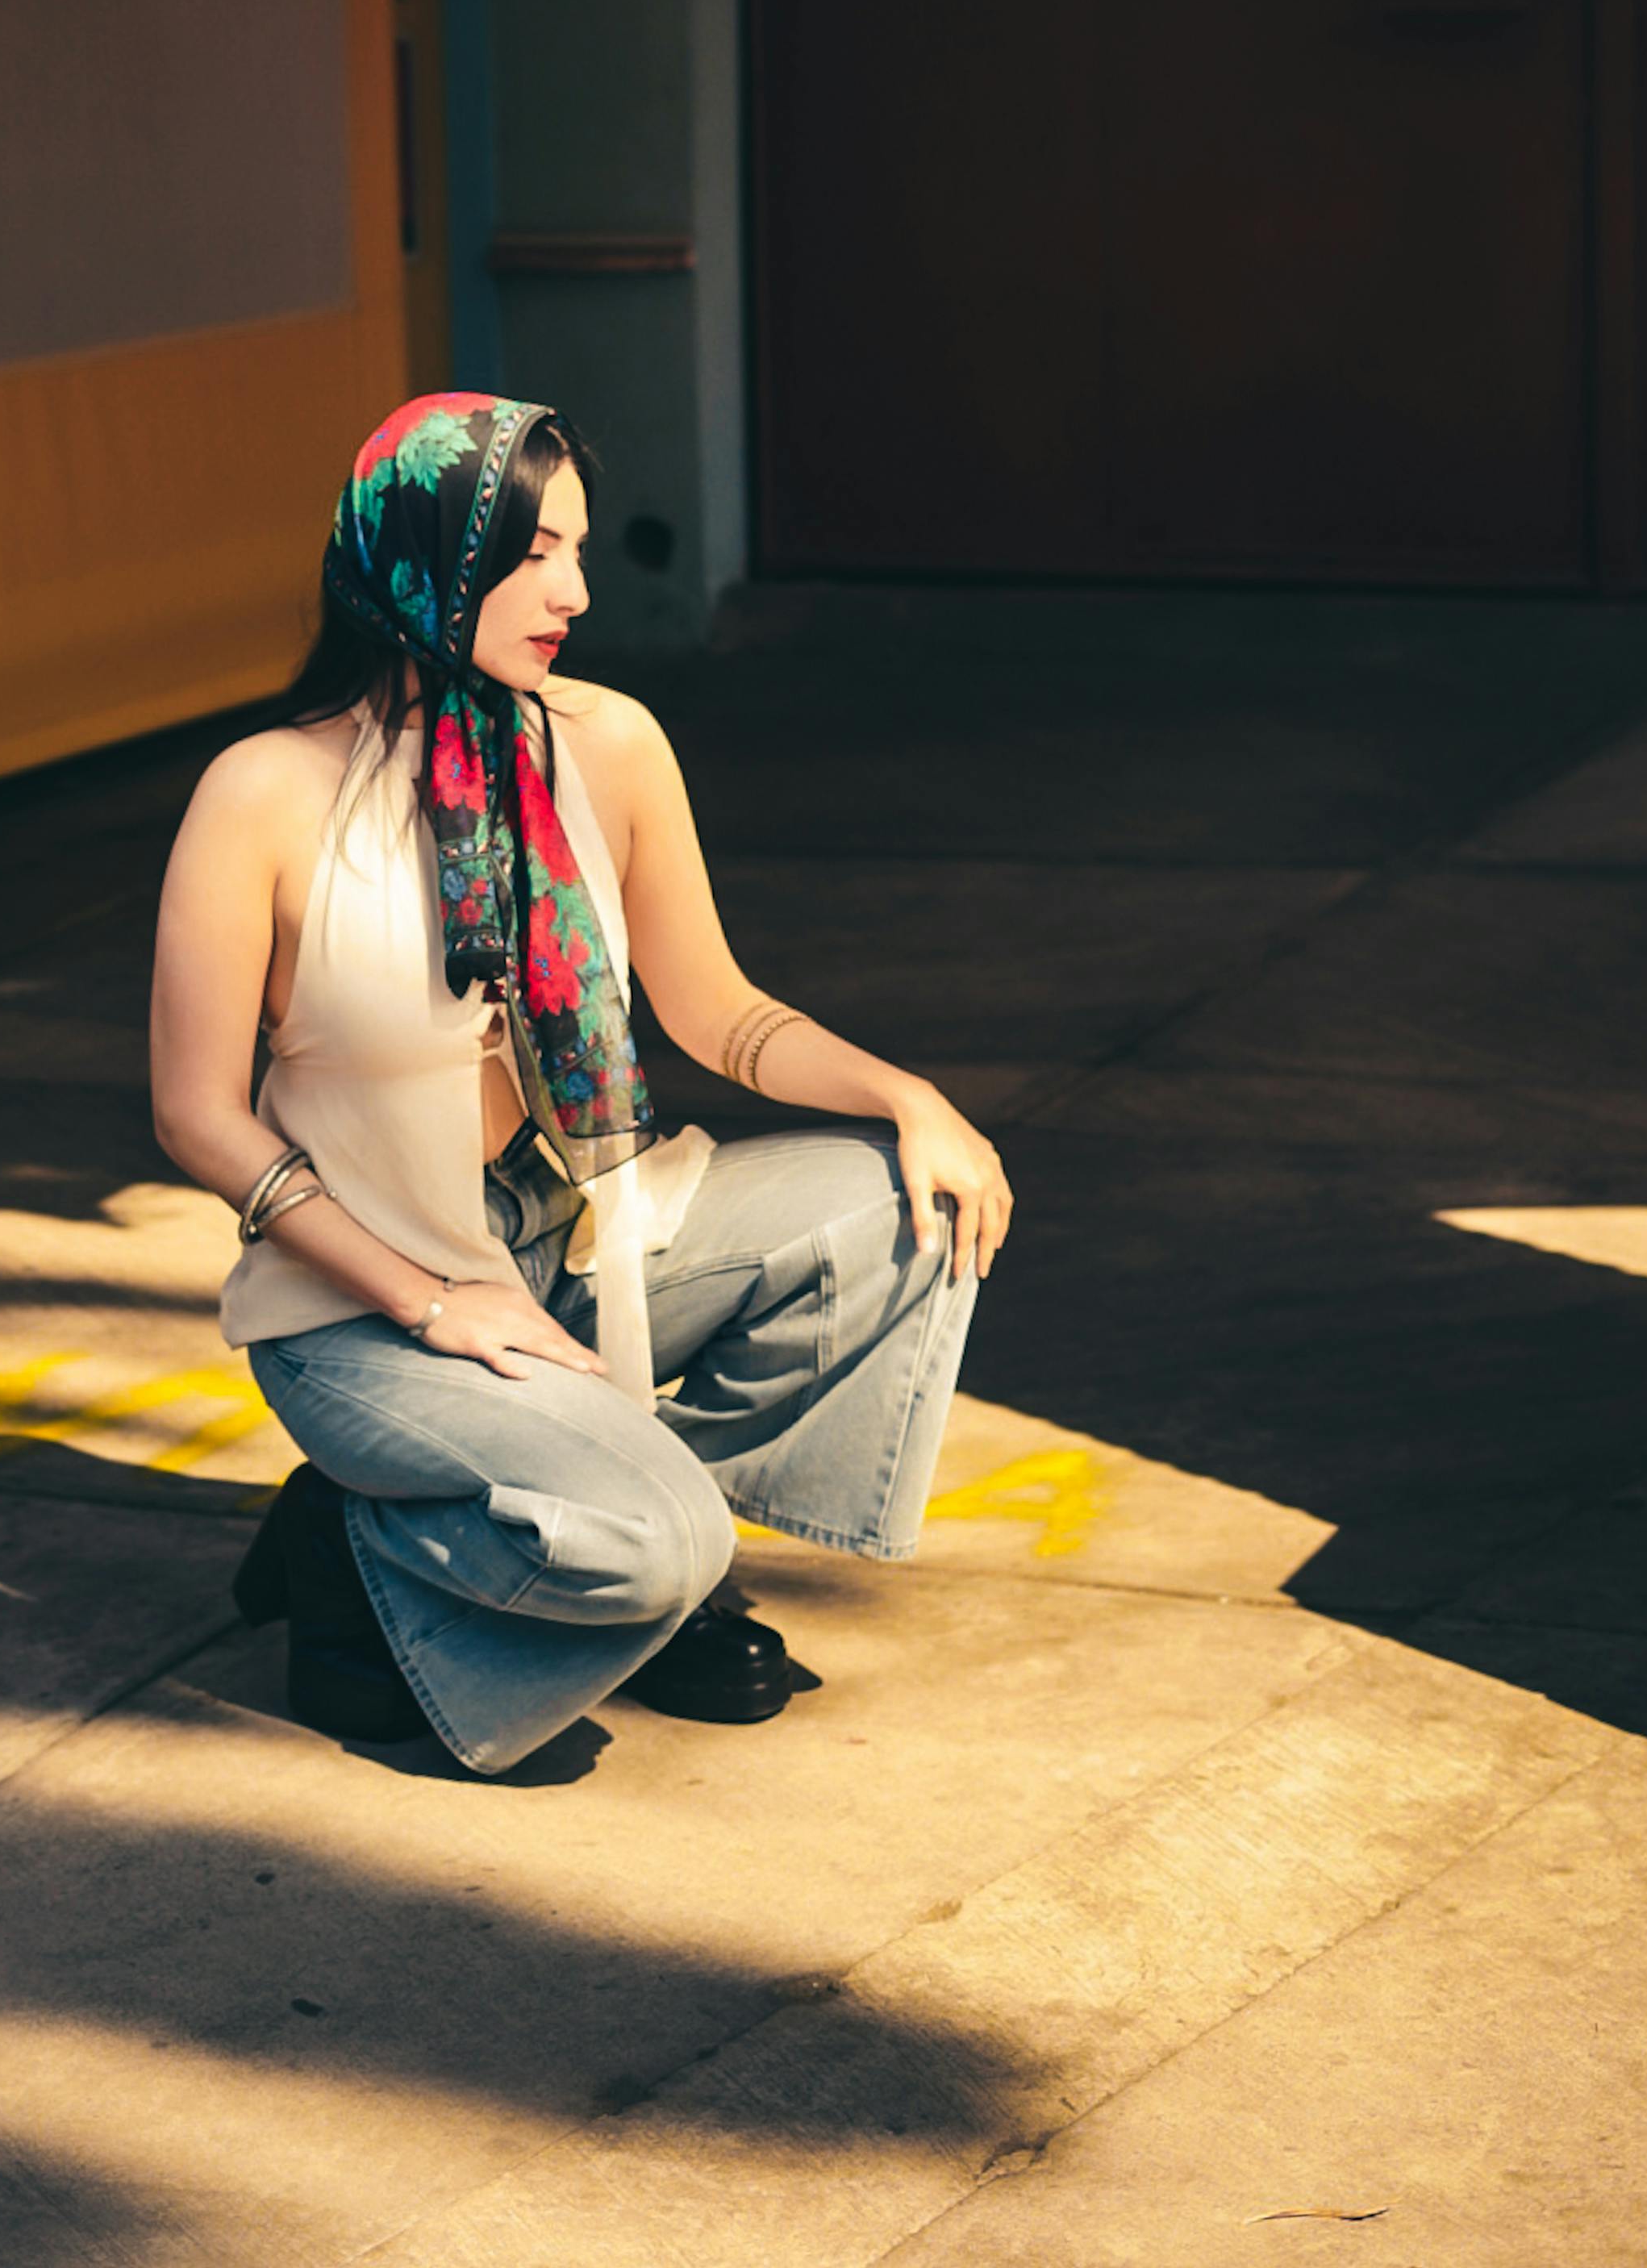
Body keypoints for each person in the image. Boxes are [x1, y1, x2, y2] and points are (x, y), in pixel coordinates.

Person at [150, 391, 1012, 1775]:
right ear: (428, 553)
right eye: (535, 551)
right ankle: (362, 1541)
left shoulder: (604, 743)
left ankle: (618, 1541)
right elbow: (198, 1116)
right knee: (662, 1546)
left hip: (588, 1251)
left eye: (582, 551)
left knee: (900, 1214)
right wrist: (433, 1303)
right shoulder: (262, 793)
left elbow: (714, 1009)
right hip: (365, 1302)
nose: (577, 591)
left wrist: (913, 1097)